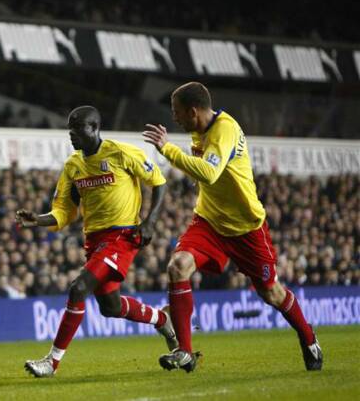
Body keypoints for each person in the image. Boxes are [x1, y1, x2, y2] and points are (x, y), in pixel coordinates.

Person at [142, 82, 322, 372]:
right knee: (178, 266)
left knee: (270, 293)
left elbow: (210, 174)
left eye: (177, 113)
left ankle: (308, 337)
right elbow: (208, 177)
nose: (174, 118)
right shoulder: (198, 132)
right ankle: (185, 352)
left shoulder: (224, 130)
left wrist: (168, 150)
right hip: (210, 222)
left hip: (246, 228)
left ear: (193, 111)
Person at [17, 105, 177, 378]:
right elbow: (64, 212)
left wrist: (150, 221)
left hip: (123, 236)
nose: (71, 135)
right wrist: (38, 220)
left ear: (94, 128)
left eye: (77, 129)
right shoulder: (73, 166)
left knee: (79, 288)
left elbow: (158, 181)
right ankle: (162, 319)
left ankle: (51, 362)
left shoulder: (121, 153)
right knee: (110, 307)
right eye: (69, 130)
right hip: (94, 241)